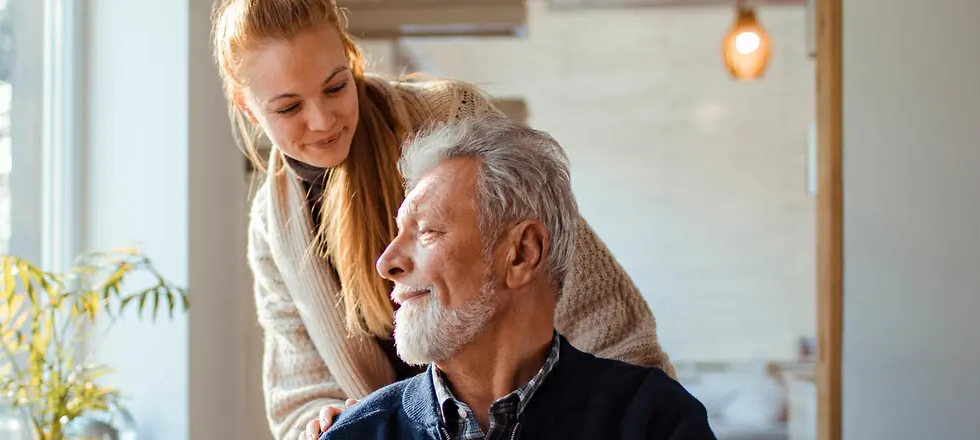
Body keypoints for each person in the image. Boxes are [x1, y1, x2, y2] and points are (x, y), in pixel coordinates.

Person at [213, 1, 673, 438]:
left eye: (336, 86)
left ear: (351, 59)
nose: (321, 120)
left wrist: (636, 412)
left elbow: (579, 289)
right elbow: (299, 391)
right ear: (247, 106)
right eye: (289, 107)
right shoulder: (271, 229)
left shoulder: (449, 118)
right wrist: (326, 421)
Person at [321, 116, 715, 440]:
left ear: (522, 253)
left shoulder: (656, 422)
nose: (386, 262)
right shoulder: (353, 435)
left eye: (426, 232)